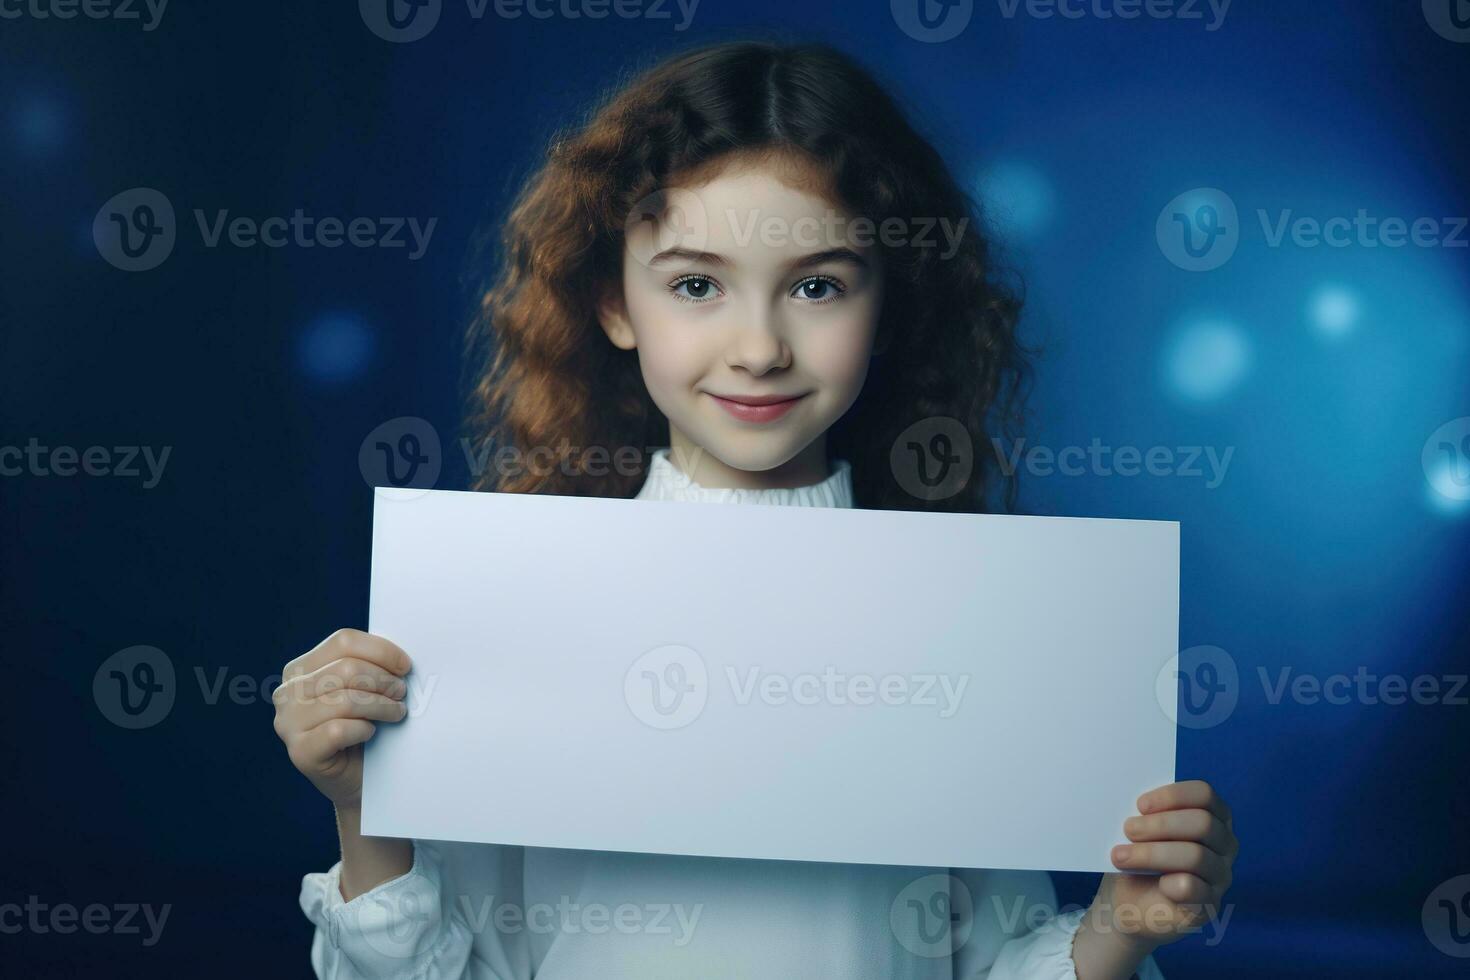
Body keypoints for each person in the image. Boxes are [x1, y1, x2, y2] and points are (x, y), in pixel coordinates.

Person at [272, 40, 1238, 979]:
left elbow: (991, 959)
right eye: (697, 285)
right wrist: (368, 812)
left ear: (888, 306)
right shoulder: (520, 608)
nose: (759, 346)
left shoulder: (954, 618)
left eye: (817, 286)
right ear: (614, 302)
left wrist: (1119, 931)